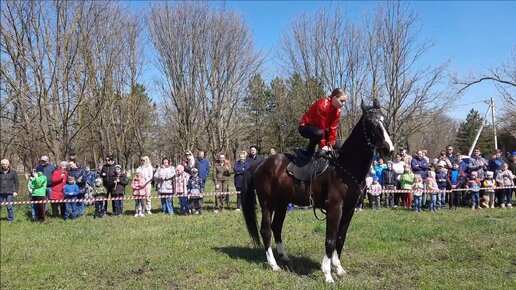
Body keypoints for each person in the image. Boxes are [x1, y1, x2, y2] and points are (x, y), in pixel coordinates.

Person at [298, 88, 348, 158]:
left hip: (320, 130)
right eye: (341, 101)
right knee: (318, 133)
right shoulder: (323, 105)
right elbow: (321, 127)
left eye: (344, 102)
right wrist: (324, 147)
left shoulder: (338, 111)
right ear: (334, 98)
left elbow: (333, 128)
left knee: (338, 147)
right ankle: (309, 153)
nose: (343, 104)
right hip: (305, 127)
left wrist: (331, 144)